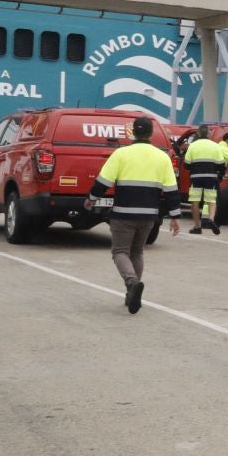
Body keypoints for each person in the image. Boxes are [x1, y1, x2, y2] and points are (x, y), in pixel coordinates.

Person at [88, 116, 180, 314]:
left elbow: (103, 181)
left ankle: (131, 283)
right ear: (151, 133)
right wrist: (175, 216)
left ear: (132, 133)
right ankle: (131, 295)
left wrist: (92, 198)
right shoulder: (162, 157)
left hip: (123, 213)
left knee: (120, 251)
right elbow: (171, 189)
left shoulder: (121, 154)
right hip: (149, 215)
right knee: (137, 252)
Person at [183, 126, 228, 234]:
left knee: (195, 201)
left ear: (198, 134)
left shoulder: (192, 146)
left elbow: (187, 165)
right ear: (208, 134)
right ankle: (211, 220)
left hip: (196, 177)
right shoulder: (215, 146)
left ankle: (197, 226)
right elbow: (221, 164)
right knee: (212, 200)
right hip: (211, 177)